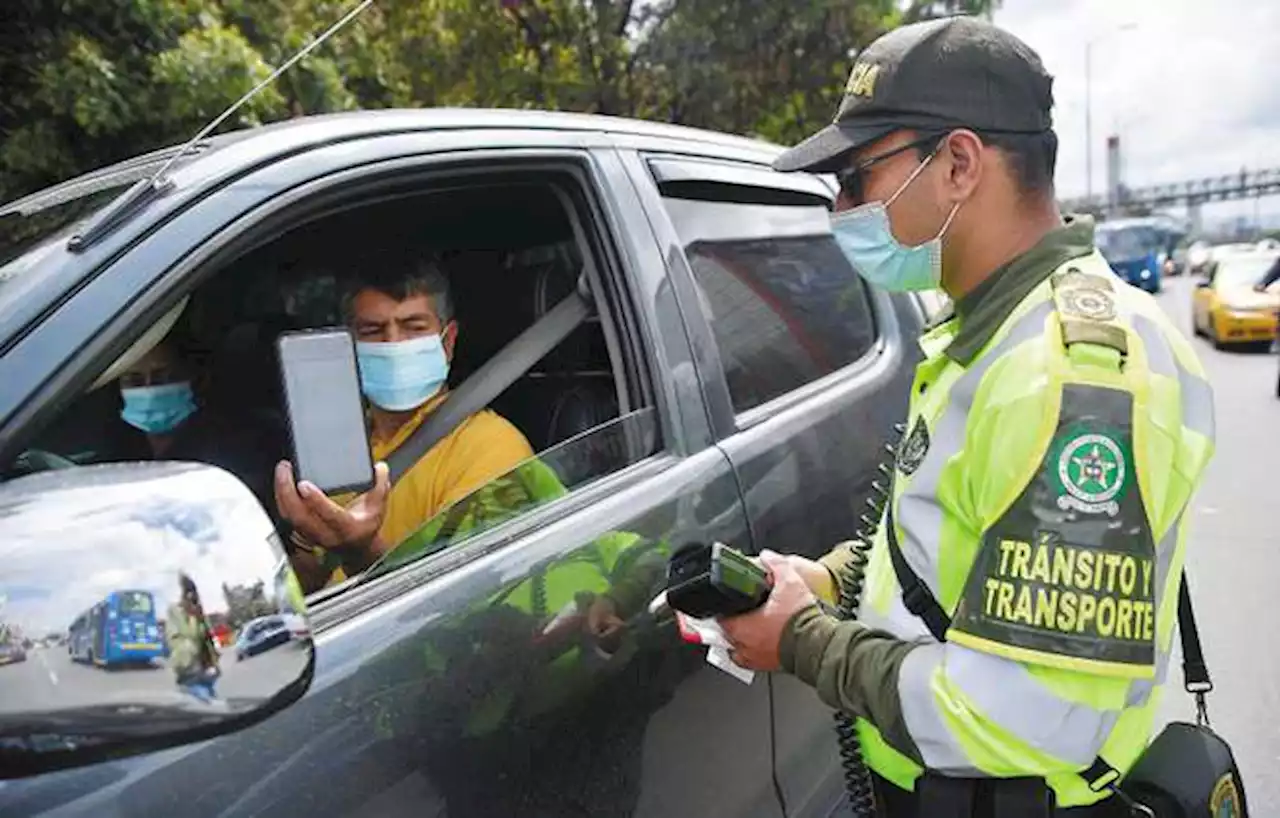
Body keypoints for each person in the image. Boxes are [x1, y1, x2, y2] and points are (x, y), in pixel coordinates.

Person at [719, 16, 1216, 817]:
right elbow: (953, 539)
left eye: (857, 177)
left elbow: (1024, 714)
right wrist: (829, 580)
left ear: (957, 164)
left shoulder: (1068, 377)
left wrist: (804, 639)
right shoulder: (991, 334)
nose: (842, 207)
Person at [276, 250, 535, 592]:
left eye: (413, 328)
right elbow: (310, 567)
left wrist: (360, 549)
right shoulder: (339, 444)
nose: (393, 344)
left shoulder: (490, 448)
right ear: (349, 346)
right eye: (373, 330)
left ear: (448, 342)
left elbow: (465, 606)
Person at [115, 331, 282, 513]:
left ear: (195, 380)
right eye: (134, 380)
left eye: (163, 377)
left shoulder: (235, 449)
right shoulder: (117, 451)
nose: (149, 390)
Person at [166, 573, 221, 703]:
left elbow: (208, 640)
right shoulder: (175, 611)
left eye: (193, 592)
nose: (191, 596)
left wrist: (215, 663)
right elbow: (181, 641)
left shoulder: (199, 613)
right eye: (187, 592)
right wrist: (192, 616)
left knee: (213, 704)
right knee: (207, 704)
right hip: (189, 673)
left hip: (206, 672)